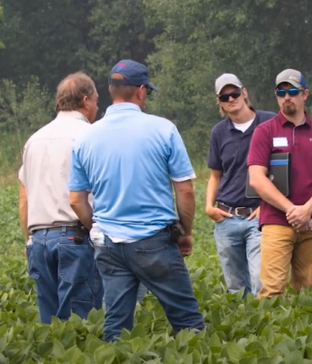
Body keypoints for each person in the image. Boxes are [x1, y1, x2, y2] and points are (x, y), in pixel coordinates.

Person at [68, 59, 205, 342]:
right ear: (141, 91)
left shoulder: (85, 138)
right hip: (154, 241)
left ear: (111, 91)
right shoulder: (163, 129)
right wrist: (186, 233)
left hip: (108, 245)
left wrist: (97, 225)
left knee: (116, 326)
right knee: (187, 320)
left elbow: (76, 200)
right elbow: (186, 191)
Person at [247, 68, 312, 299]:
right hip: (277, 220)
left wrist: (306, 210)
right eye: (281, 92)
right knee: (271, 291)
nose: (286, 96)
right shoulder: (264, 132)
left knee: (307, 292)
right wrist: (291, 210)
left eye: (292, 91)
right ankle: (267, 334)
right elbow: (257, 179)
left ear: (304, 94)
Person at [19, 72, 104, 324]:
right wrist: (97, 231)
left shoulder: (34, 140)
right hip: (76, 237)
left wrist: (29, 240)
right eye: (97, 101)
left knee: (50, 326)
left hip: (38, 240)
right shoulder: (91, 135)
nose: (97, 108)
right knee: (80, 326)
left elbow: (24, 197)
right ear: (86, 100)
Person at [206, 73, 276, 296]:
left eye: (234, 93)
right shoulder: (218, 132)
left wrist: (268, 206)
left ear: (244, 92)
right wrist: (209, 206)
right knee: (236, 287)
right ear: (219, 101)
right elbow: (215, 174)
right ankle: (243, 329)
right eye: (224, 97)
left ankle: (264, 328)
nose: (231, 99)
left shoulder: (270, 122)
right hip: (226, 216)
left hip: (259, 215)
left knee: (260, 281)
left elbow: (284, 169)